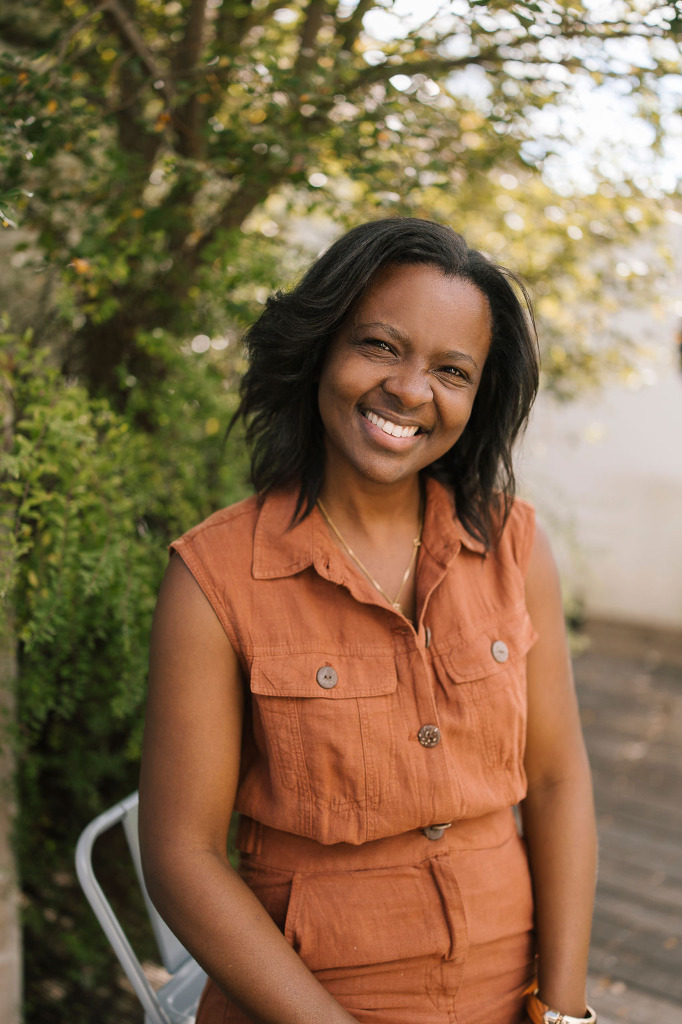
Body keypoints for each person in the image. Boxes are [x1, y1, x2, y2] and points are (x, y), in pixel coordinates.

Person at [139, 217, 598, 1024]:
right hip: (307, 1000)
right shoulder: (213, 577)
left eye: (451, 370)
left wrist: (562, 1011)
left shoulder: (514, 545)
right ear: (321, 346)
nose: (411, 390)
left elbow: (558, 780)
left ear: (478, 396)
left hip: (510, 991)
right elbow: (182, 856)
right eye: (381, 346)